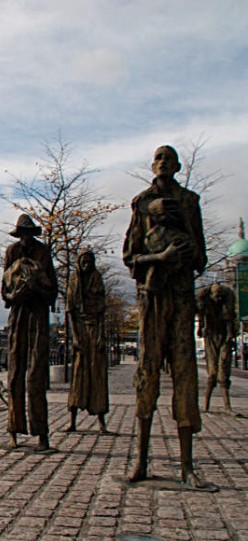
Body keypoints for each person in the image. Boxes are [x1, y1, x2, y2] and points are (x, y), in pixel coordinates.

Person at [122, 145, 208, 488]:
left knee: (186, 373)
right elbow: (131, 256)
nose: (162, 164)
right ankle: (141, 461)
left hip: (182, 297)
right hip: (152, 297)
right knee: (147, 372)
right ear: (152, 164)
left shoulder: (190, 201)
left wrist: (184, 244)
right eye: (158, 158)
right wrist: (161, 256)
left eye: (168, 159)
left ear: (177, 166)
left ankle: (187, 466)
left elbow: (201, 255)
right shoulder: (140, 203)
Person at [1, 214, 58, 452]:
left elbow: (52, 289)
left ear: (32, 234)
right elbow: (5, 290)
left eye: (28, 234)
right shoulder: (11, 252)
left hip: (37, 314)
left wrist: (35, 287)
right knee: (15, 373)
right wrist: (13, 296)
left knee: (35, 375)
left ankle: (41, 432)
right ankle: (14, 429)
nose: (25, 239)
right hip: (18, 314)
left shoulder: (43, 252)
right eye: (21, 234)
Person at [65, 250, 109, 433]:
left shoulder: (97, 279)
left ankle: (101, 421)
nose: (87, 264)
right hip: (80, 330)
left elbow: (101, 314)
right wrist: (75, 336)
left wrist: (100, 336)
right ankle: (72, 420)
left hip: (94, 330)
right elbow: (71, 312)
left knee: (98, 375)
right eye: (84, 261)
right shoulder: (73, 281)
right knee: (78, 374)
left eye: (90, 261)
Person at [197, 283, 236, 413]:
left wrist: (230, 335)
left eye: (220, 297)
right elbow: (201, 317)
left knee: (223, 370)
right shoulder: (204, 300)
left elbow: (230, 319)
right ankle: (206, 405)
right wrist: (200, 328)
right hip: (211, 337)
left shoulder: (228, 298)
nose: (218, 299)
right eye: (216, 297)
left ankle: (227, 406)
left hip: (224, 337)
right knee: (212, 372)